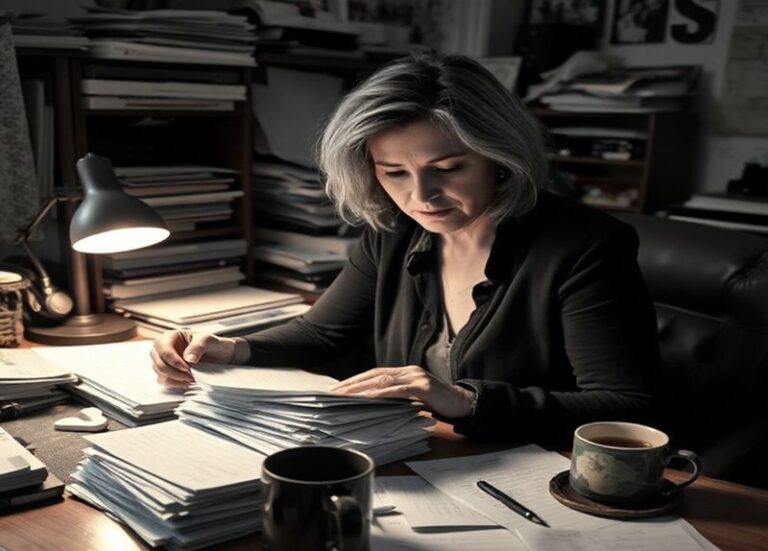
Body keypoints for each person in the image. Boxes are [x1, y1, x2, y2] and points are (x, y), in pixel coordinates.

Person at [151, 52, 660, 442]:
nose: (421, 197)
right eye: (394, 172)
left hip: (533, 474)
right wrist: (231, 347)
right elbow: (322, 334)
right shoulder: (395, 228)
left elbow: (626, 407)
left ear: (498, 156)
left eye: (448, 169)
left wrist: (464, 400)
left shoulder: (586, 246)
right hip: (420, 457)